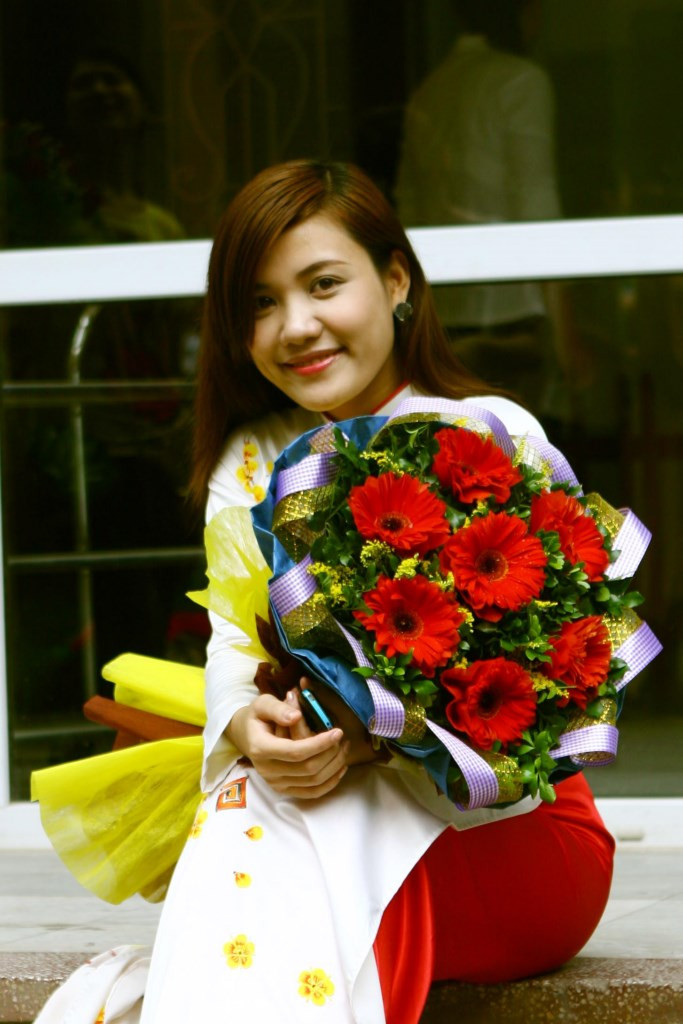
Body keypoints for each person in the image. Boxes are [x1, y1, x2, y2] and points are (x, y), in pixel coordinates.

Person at [35, 159, 614, 1024]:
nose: (295, 326)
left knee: (274, 832)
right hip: (315, 816)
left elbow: (553, 694)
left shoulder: (486, 432)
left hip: (505, 834)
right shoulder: (250, 461)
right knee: (257, 797)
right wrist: (245, 726)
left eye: (323, 284)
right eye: (259, 303)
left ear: (395, 280)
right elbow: (233, 644)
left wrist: (369, 740)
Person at [395, 0, 571, 413]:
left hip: (445, 320)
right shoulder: (521, 81)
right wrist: (566, 334)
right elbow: (537, 204)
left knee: (460, 444)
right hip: (514, 316)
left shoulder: (428, 92)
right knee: (522, 447)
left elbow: (408, 207)